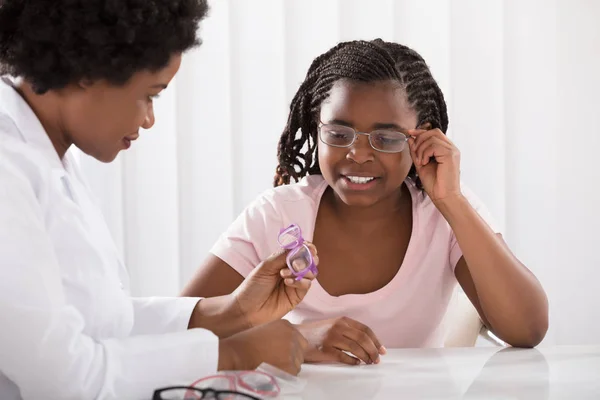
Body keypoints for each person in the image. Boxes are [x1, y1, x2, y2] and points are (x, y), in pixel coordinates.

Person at [0, 1, 318, 399]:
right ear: (87, 71)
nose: (149, 119)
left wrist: (234, 311)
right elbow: (63, 378)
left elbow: (100, 321)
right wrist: (229, 355)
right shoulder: (8, 168)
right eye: (149, 95)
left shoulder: (46, 153)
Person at [183, 39, 549, 366]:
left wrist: (451, 201)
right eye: (339, 134)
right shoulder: (278, 213)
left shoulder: (446, 210)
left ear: (421, 139)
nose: (357, 154)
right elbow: (180, 334)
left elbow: (528, 329)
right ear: (316, 129)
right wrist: (298, 339)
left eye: (387, 138)